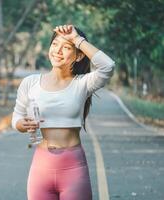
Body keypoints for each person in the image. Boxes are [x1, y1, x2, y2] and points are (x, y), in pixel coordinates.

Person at [11, 24, 115, 200]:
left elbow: (108, 66)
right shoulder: (30, 83)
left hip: (73, 168)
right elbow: (16, 119)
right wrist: (22, 124)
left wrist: (77, 39)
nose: (57, 51)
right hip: (41, 168)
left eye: (66, 47)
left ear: (79, 55)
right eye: (54, 44)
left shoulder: (82, 83)